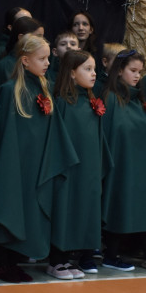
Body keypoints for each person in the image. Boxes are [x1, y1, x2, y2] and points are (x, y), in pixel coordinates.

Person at [0, 34, 76, 282]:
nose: (48, 63)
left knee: (32, 211)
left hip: (40, 164)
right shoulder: (9, 92)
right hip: (15, 165)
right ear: (25, 61)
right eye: (42, 58)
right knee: (13, 208)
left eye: (49, 58)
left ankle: (18, 261)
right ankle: (5, 264)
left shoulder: (45, 92)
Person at [100, 49, 146, 272]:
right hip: (120, 166)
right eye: (132, 71)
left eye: (140, 72)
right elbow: (108, 134)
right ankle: (111, 254)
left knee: (137, 208)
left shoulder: (139, 101)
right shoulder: (111, 99)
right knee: (118, 206)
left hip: (139, 167)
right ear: (119, 70)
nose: (137, 76)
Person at [50, 50, 105, 278]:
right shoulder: (62, 103)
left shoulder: (92, 103)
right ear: (72, 73)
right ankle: (56, 261)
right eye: (87, 69)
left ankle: (73, 257)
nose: (93, 74)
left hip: (88, 170)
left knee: (83, 211)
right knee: (65, 210)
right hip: (68, 169)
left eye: (94, 69)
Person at [0, 16, 43, 86]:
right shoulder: (5, 66)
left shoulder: (36, 63)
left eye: (43, 37)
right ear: (21, 37)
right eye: (38, 37)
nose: (42, 41)